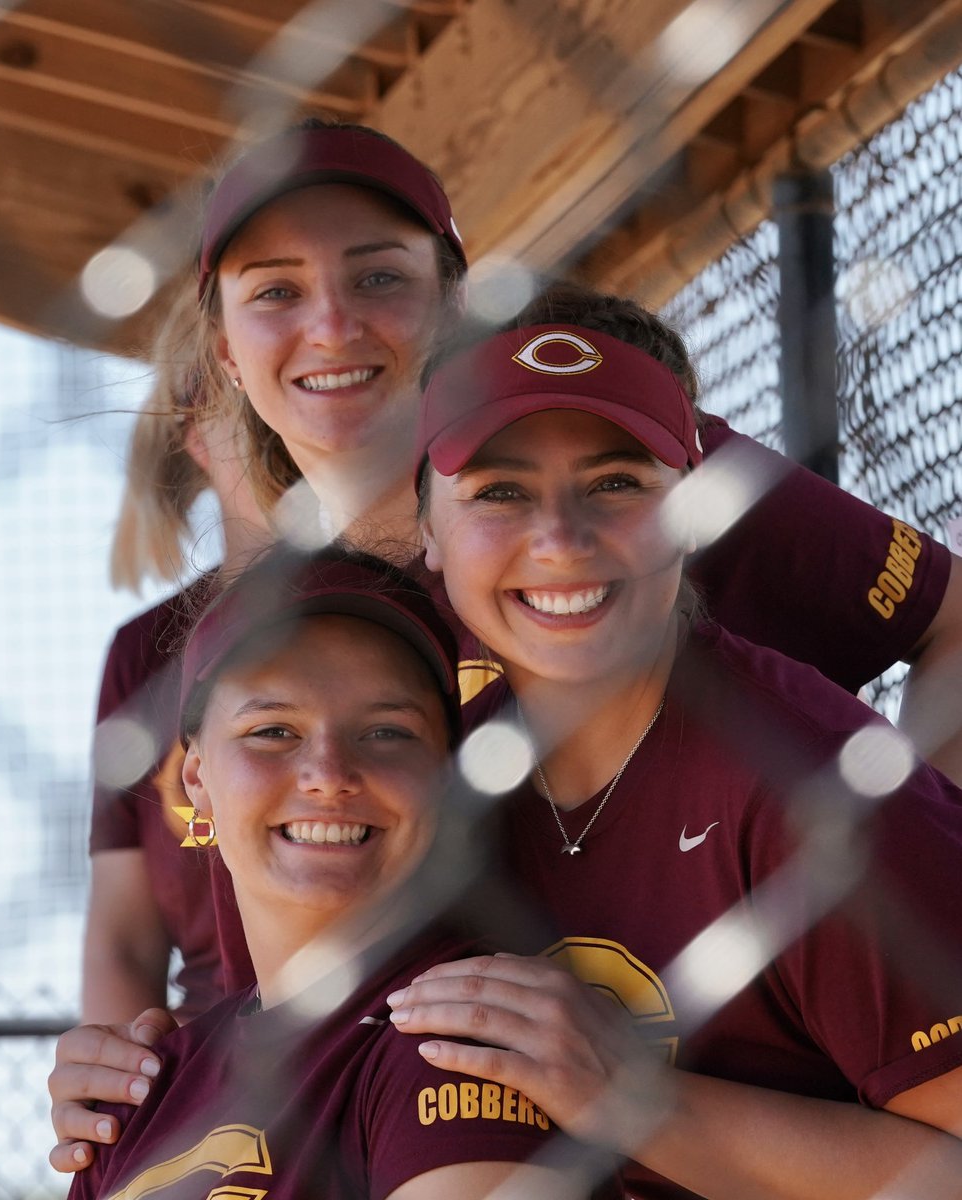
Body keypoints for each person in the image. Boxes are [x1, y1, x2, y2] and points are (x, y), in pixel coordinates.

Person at [49, 123, 962, 1166]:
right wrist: (143, 1077)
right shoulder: (280, 625)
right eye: (275, 291)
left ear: (453, 297)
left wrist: (877, 875)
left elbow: (950, 621)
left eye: (379, 276)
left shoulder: (621, 440)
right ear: (222, 347)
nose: (333, 324)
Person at [384, 288, 962, 1196]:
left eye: (617, 483)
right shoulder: (433, 777)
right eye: (499, 491)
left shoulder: (816, 796)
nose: (561, 540)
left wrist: (632, 1100)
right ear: (426, 531)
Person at [69, 543, 617, 1200]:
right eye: (272, 731)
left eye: (386, 732)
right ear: (197, 780)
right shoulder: (145, 1085)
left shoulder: (455, 1038)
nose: (328, 775)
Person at [84, 282, 270, 1023]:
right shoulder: (145, 653)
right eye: (246, 396)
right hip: (204, 1065)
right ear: (195, 420)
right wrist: (120, 1107)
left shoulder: (422, 604)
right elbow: (122, 939)